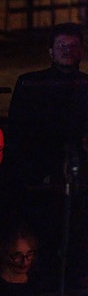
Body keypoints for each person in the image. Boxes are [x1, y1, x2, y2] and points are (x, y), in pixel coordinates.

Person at [8, 22, 88, 187]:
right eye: (61, 45)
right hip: (40, 165)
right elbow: (18, 130)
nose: (67, 50)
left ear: (81, 51)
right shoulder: (30, 84)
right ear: (51, 51)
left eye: (73, 46)